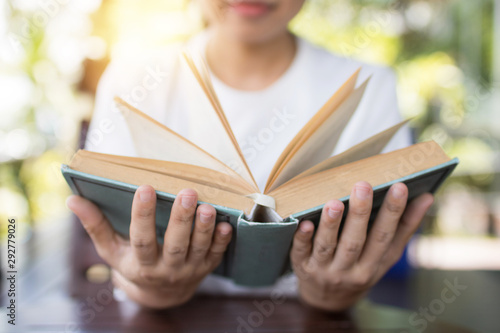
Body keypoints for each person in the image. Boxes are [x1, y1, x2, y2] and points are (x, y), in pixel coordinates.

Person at [66, 0, 434, 311]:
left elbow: (375, 246)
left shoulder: (369, 87)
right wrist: (149, 288)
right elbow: (120, 247)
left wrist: (334, 295)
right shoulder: (132, 81)